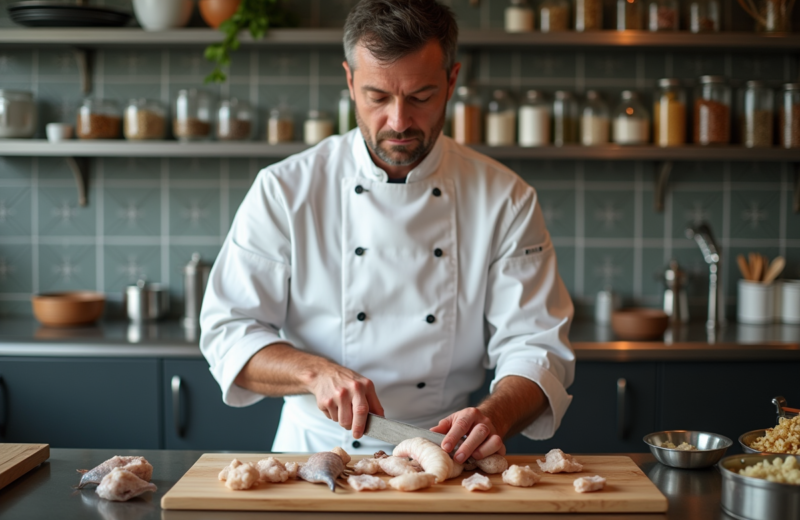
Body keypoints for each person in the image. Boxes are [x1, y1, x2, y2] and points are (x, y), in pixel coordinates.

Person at [200, 0, 574, 464]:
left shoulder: (506, 198)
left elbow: (536, 344)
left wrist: (493, 417)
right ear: (350, 81)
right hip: (313, 454)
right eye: (378, 97)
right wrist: (314, 374)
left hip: (445, 454)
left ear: (452, 82)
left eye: (421, 96)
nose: (399, 122)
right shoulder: (285, 189)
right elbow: (229, 331)